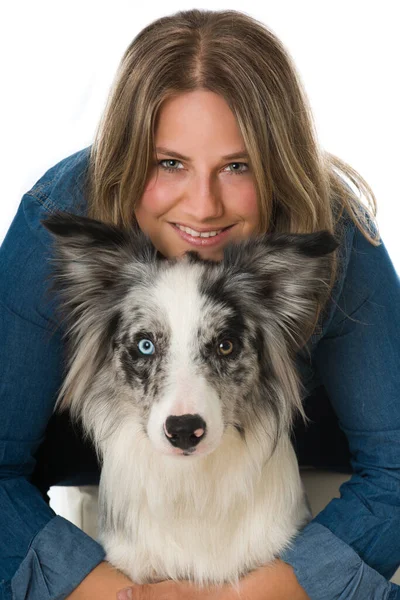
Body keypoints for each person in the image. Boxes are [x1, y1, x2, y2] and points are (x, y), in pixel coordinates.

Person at [0, 8, 399, 600]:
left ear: (278, 165)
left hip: (290, 447)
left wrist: (254, 593)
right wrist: (113, 591)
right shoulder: (58, 220)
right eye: (170, 164)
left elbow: (395, 465)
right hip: (96, 454)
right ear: (131, 156)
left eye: (237, 166)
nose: (204, 207)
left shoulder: (332, 230)